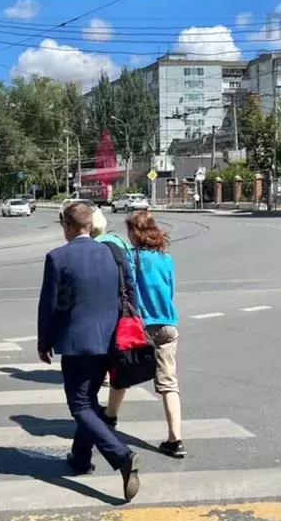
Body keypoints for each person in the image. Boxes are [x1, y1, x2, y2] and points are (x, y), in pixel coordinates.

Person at [37, 202, 141, 501]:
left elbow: (49, 304)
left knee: (80, 406)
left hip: (76, 344)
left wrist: (44, 342)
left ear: (67, 227)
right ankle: (80, 457)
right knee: (89, 402)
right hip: (111, 341)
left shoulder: (58, 257)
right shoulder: (113, 252)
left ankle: (122, 457)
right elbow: (130, 291)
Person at [110, 210, 185, 458]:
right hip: (167, 324)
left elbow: (126, 290)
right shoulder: (167, 259)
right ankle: (175, 440)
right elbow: (170, 290)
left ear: (135, 232)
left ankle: (110, 416)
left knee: (123, 369)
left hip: (141, 326)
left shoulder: (132, 258)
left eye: (129, 230)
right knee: (168, 383)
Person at [90, 208, 133, 429]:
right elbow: (131, 281)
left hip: (107, 315)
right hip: (126, 312)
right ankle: (110, 413)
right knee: (120, 364)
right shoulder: (120, 243)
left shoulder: (96, 248)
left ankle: (103, 419)